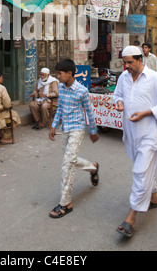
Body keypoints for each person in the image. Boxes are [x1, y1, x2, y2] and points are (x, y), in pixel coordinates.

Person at [113, 46, 157, 238]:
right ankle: (154, 197)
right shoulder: (123, 77)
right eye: (125, 62)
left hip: (150, 134)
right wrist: (119, 102)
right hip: (131, 133)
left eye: (130, 62)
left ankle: (132, 216)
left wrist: (146, 113)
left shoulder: (155, 78)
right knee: (145, 168)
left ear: (140, 60)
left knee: (140, 172)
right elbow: (117, 95)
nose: (127, 66)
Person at [48, 59, 99, 219]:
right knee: (71, 160)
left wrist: (93, 130)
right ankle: (93, 167)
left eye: (60, 74)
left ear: (69, 73)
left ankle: (65, 204)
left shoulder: (82, 91)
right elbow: (60, 109)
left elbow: (89, 112)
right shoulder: (61, 89)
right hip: (65, 130)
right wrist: (54, 126)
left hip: (77, 130)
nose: (58, 76)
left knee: (67, 165)